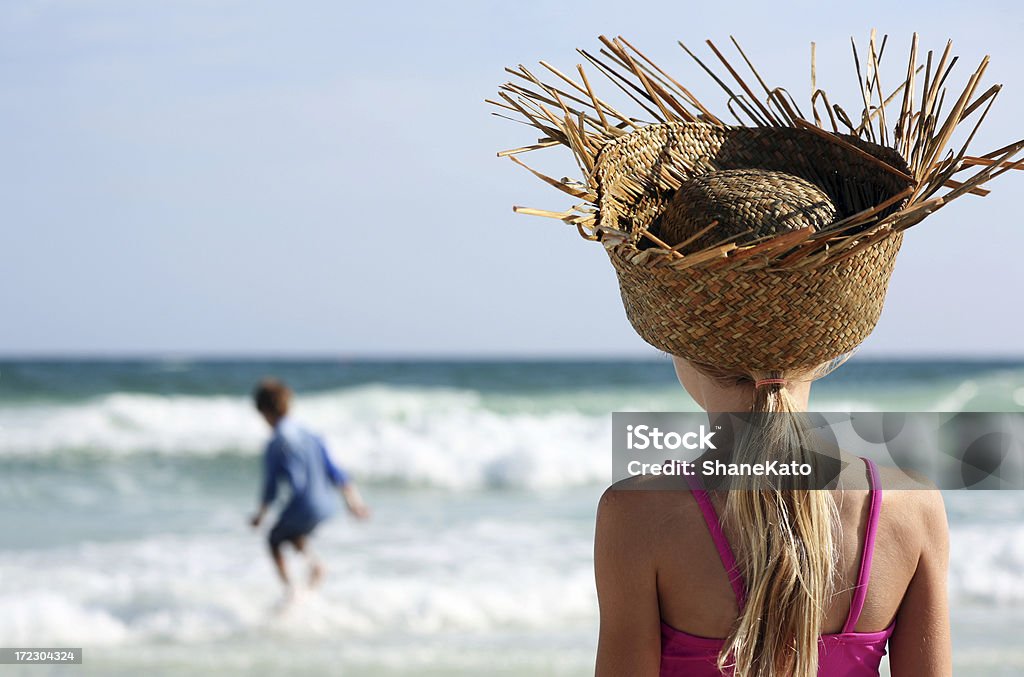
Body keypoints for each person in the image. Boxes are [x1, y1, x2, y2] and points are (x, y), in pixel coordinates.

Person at [249, 378, 369, 594]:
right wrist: (354, 504)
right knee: (294, 533)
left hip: (304, 504)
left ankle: (291, 589)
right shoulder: (311, 435)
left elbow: (271, 486)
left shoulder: (277, 441)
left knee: (273, 539)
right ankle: (314, 567)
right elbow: (337, 473)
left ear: (265, 411)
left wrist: (260, 514)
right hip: (327, 504)